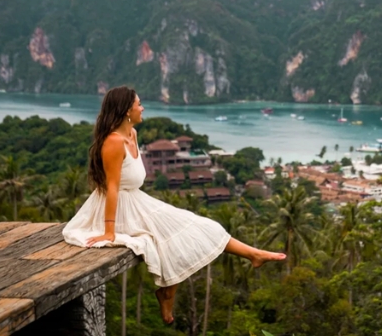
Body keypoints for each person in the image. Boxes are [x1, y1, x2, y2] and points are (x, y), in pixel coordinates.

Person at [63, 86, 286, 324]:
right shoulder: (113, 142)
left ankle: (253, 254)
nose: (143, 107)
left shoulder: (133, 135)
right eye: (139, 104)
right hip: (118, 209)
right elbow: (112, 189)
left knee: (201, 226)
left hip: (137, 202)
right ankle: (169, 292)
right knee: (174, 234)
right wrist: (109, 231)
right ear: (127, 111)